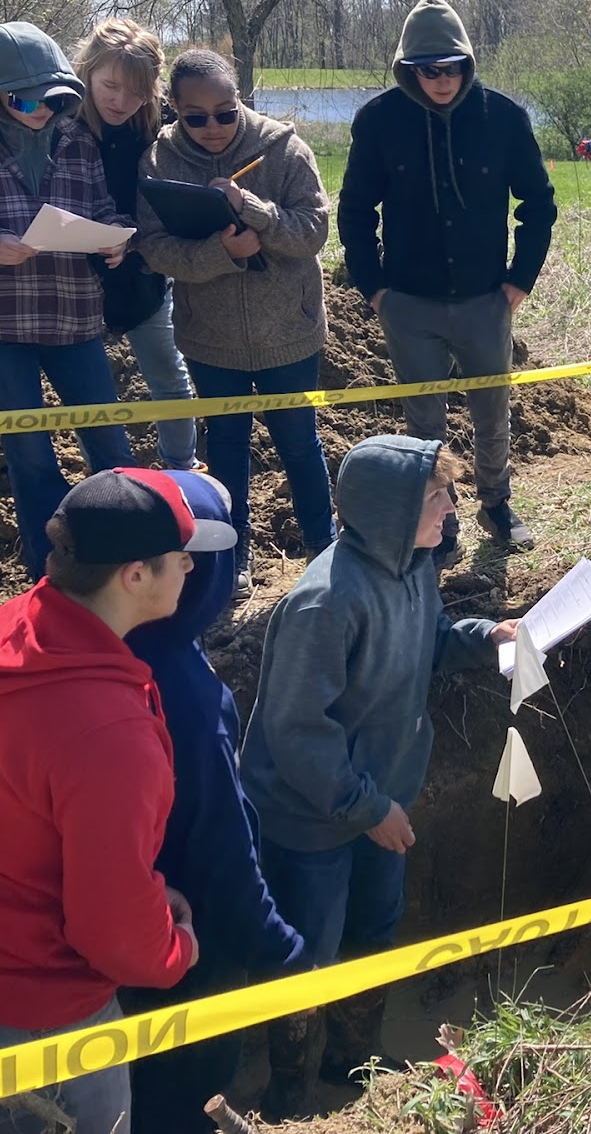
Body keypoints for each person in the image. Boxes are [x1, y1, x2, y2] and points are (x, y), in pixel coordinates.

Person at [240, 435, 518, 1114]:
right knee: (308, 958)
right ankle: (291, 1098)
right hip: (312, 819)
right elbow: (300, 734)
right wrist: (369, 809)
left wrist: (488, 638)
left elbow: (429, 645)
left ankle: (351, 1062)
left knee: (373, 930)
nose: (451, 508)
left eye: (449, 494)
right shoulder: (324, 604)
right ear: (387, 509)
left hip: (376, 800)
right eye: (436, 496)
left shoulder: (411, 564)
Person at [0, 467, 238, 1133]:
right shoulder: (110, 735)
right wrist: (177, 948)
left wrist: (139, 891)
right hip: (49, 1018)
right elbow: (114, 938)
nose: (193, 569)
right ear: (135, 576)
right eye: (181, 558)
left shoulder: (15, 632)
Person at [338, 0, 557, 565]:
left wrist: (519, 280)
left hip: (487, 298)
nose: (442, 79)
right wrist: (375, 289)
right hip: (408, 301)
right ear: (408, 69)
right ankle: (440, 519)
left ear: (468, 63)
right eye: (429, 69)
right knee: (423, 424)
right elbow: (355, 210)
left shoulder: (503, 118)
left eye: (453, 67)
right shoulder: (379, 121)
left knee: (493, 411)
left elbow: (538, 202)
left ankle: (496, 502)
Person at [120, 469, 307, 1134]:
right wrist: (277, 945)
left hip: (120, 930)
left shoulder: (110, 647)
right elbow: (219, 839)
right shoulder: (185, 692)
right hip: (190, 941)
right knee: (186, 1092)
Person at [136, 49, 335, 600]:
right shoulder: (158, 161)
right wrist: (221, 253)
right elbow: (154, 249)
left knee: (299, 441)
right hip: (210, 338)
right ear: (173, 108)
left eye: (225, 112)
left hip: (288, 333)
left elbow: (314, 232)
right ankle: (231, 558)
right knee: (226, 446)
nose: (214, 127)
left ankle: (326, 549)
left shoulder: (283, 148)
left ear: (239, 101)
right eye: (196, 117)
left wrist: (253, 210)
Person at [0, 20, 135, 580]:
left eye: (50, 97)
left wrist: (115, 238)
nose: (39, 109)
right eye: (22, 98)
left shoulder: (77, 138)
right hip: (6, 328)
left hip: (75, 316)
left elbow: (103, 206)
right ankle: (47, 573)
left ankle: (126, 560)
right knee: (29, 458)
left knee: (110, 443)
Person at [73, 18, 201, 473]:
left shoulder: (163, 130)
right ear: (86, 71)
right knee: (88, 393)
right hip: (72, 281)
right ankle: (103, 477)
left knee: (168, 374)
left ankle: (181, 467)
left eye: (135, 92)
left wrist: (138, 243)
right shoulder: (62, 121)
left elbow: (178, 203)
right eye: (109, 85)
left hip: (142, 273)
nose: (120, 101)